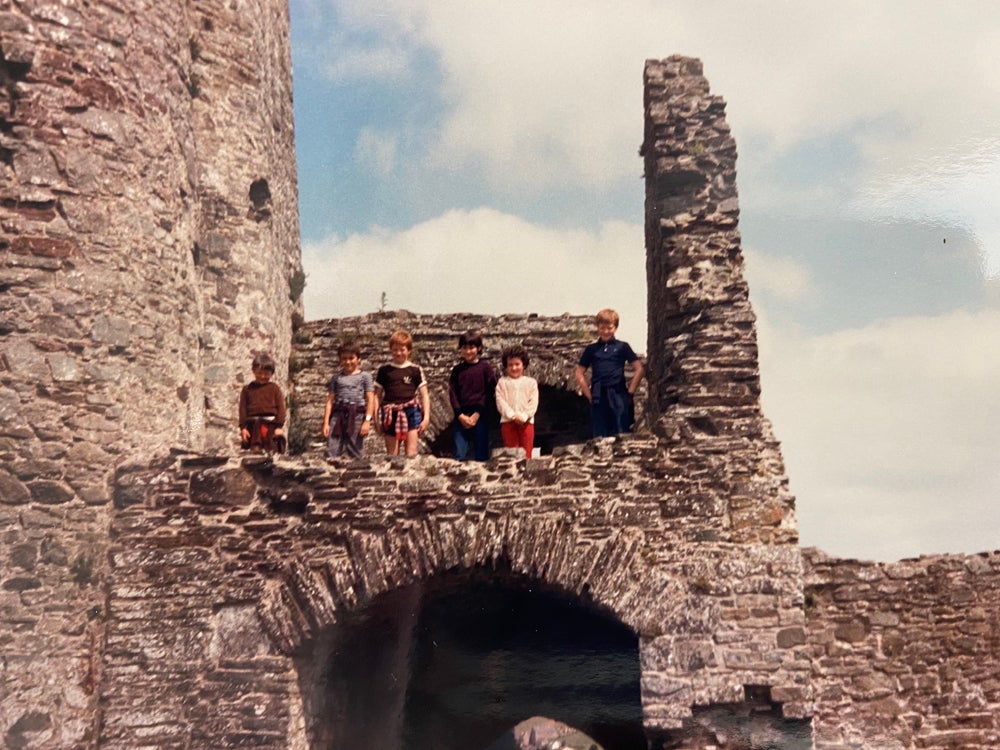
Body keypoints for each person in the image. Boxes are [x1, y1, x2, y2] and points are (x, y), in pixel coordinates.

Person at [574, 309, 644, 437]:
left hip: (618, 393)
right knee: (600, 434)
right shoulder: (591, 349)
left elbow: (639, 368)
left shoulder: (623, 347)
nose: (605, 331)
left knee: (621, 432)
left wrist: (630, 392)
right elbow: (579, 373)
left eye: (609, 328)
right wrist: (589, 395)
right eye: (602, 328)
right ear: (597, 328)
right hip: (598, 395)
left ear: (615, 328)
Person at [375, 330, 431, 456]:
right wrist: (376, 419)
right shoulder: (384, 371)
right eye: (395, 350)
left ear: (408, 350)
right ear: (391, 350)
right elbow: (376, 396)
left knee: (411, 453)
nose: (398, 353)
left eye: (402, 349)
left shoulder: (415, 370)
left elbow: (425, 395)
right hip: (390, 412)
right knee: (392, 454)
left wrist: (426, 417)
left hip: (411, 411)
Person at [448, 330, 498, 461]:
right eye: (464, 348)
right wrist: (460, 415)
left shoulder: (485, 368)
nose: (468, 351)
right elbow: (452, 393)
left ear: (479, 348)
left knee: (481, 453)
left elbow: (489, 392)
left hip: (480, 415)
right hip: (461, 415)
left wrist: (477, 414)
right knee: (459, 453)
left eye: (471, 348)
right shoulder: (457, 370)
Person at [323, 341, 375, 459]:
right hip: (338, 416)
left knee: (356, 449)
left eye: (351, 358)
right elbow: (330, 401)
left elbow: (370, 399)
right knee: (332, 449)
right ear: (340, 360)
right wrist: (326, 423)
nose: (348, 362)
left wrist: (367, 421)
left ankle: (358, 474)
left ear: (358, 359)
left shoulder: (365, 377)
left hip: (356, 416)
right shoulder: (336, 378)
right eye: (344, 358)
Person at [495, 344, 538, 458]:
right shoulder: (502, 382)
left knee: (527, 454)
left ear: (523, 365)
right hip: (508, 422)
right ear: (506, 366)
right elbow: (500, 402)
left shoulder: (531, 382)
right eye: (510, 365)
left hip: (527, 423)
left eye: (517, 364)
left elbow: (533, 403)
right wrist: (512, 415)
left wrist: (524, 416)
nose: (514, 368)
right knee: (511, 454)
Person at [238, 352, 286, 452]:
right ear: (253, 371)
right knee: (254, 452)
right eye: (259, 373)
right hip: (252, 426)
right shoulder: (247, 390)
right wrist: (243, 428)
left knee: (271, 452)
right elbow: (242, 410)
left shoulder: (274, 389)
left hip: (270, 426)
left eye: (266, 374)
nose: (263, 376)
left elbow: (281, 408)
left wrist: (279, 426)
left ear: (271, 373)